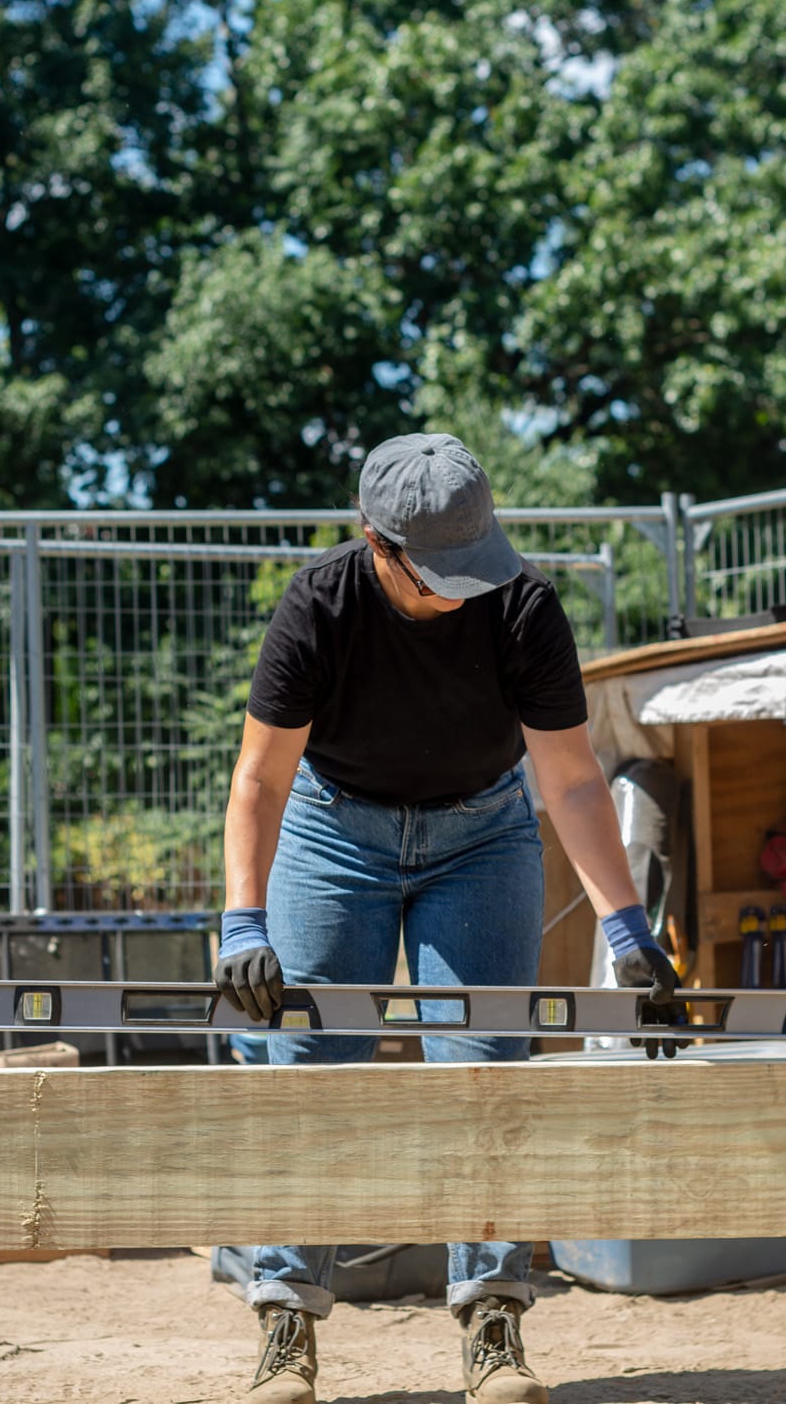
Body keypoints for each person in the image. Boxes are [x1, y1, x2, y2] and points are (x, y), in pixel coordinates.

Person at [218, 432, 683, 1404]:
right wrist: (244, 920)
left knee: (485, 1072)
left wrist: (627, 928)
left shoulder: (523, 606)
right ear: (375, 541)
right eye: (438, 572)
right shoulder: (320, 605)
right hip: (333, 832)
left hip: (483, 835)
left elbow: (571, 778)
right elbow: (261, 778)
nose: (461, 590)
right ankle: (288, 1320)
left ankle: (493, 1321)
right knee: (309, 1068)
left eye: (473, 563)